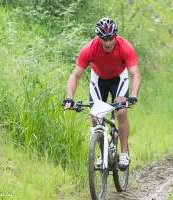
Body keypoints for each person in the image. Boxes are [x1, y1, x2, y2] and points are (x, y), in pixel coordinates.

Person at [63, 17, 141, 169]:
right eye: (104, 39)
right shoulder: (89, 49)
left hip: (119, 78)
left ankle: (124, 154)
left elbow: (135, 74)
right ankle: (102, 152)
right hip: (98, 79)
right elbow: (75, 75)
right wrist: (69, 98)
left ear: (115, 36)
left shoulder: (125, 47)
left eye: (110, 38)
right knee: (95, 116)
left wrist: (133, 95)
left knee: (121, 111)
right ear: (98, 37)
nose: (107, 43)